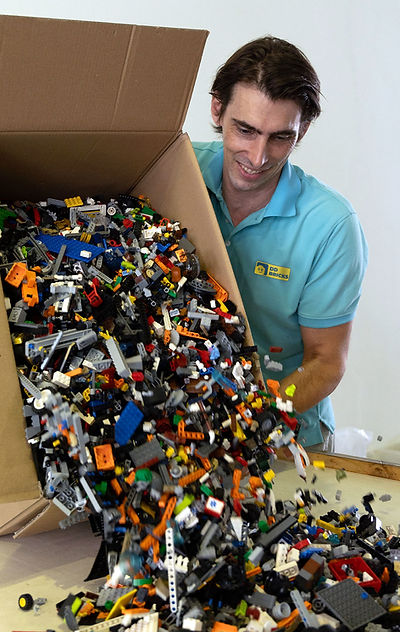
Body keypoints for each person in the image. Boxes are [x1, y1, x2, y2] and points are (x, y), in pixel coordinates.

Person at [193, 36, 368, 450]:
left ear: (302, 129)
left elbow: (326, 363)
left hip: (286, 437)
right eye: (245, 129)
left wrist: (250, 423)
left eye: (279, 138)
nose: (256, 157)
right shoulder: (176, 171)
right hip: (189, 425)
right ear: (217, 108)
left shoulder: (331, 226)